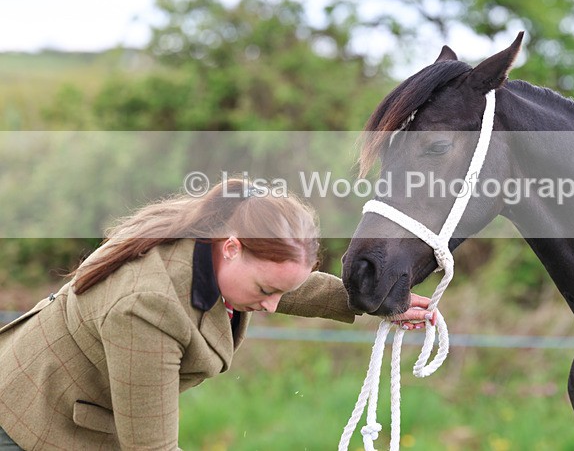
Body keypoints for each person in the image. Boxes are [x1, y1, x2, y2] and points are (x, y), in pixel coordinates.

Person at [0, 179, 433, 450]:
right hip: (32, 425)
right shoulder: (147, 309)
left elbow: (286, 285)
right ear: (232, 248)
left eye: (279, 290)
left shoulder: (209, 236)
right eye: (265, 290)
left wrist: (376, 303)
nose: (271, 305)